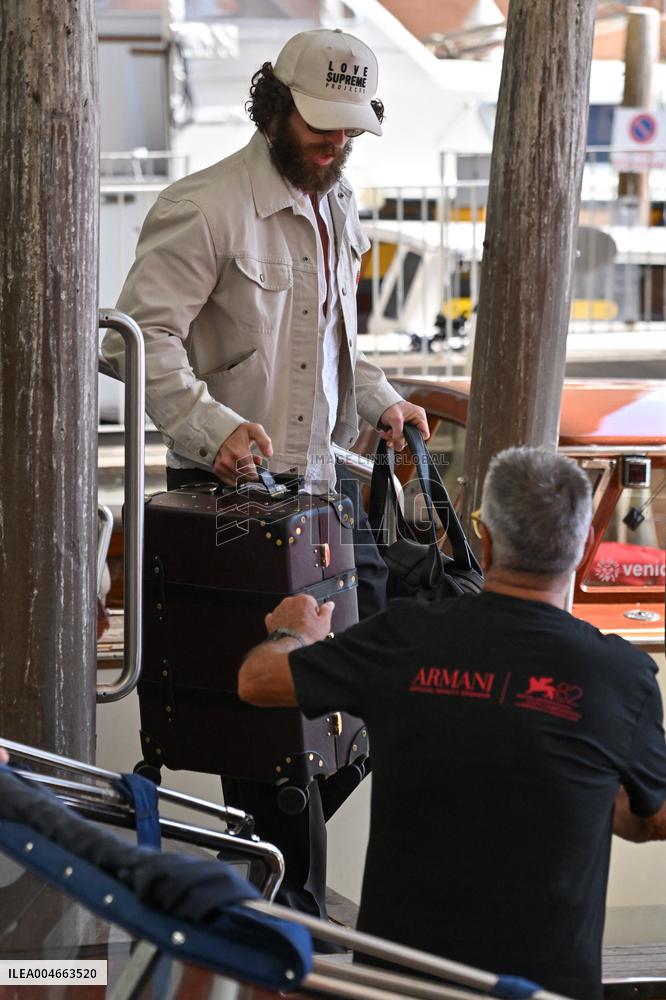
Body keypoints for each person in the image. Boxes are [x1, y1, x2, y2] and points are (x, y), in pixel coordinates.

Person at [102, 27, 427, 923]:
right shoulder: (204, 204)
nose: (337, 143)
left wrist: (383, 401)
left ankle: (255, 897)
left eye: (350, 129)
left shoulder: (339, 199)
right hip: (231, 498)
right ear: (274, 106)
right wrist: (210, 429)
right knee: (275, 739)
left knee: (363, 711)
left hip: (326, 492)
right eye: (323, 126)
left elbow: (338, 346)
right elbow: (132, 340)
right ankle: (286, 926)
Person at [238, 446, 666, 1000]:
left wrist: (296, 632)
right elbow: (653, 819)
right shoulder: (621, 675)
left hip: (399, 985)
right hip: (543, 989)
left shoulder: (406, 636)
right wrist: (579, 783)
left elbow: (256, 680)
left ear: (485, 539)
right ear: (585, 546)